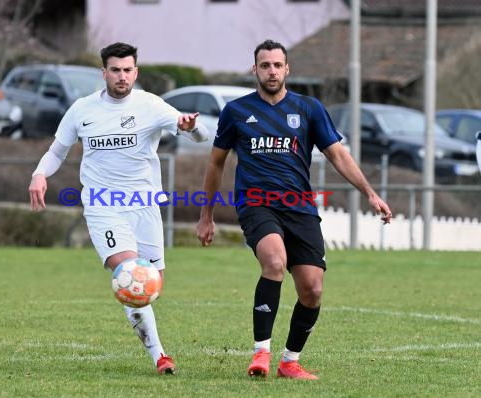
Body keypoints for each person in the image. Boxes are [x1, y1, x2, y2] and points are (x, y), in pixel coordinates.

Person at [196, 39, 392, 380]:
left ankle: (290, 362)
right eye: (265, 65)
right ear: (254, 70)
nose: (271, 71)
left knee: (312, 289)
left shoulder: (309, 109)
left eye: (277, 65)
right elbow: (215, 164)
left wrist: (370, 194)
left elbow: (338, 155)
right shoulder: (237, 111)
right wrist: (206, 214)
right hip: (256, 204)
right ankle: (261, 354)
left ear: (287, 69)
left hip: (299, 207)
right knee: (274, 262)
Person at [29, 42, 209, 375]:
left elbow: (201, 136)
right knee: (129, 275)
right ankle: (160, 357)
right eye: (115, 70)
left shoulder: (150, 105)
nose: (122, 76)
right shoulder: (83, 110)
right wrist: (40, 174)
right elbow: (57, 151)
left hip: (144, 206)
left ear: (135, 72)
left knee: (151, 285)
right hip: (102, 206)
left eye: (127, 70)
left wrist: (191, 127)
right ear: (104, 73)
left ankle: (154, 346)